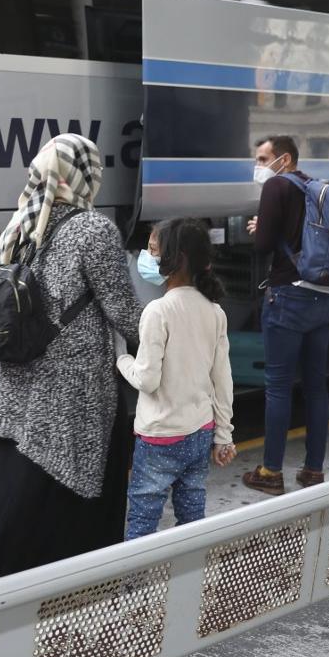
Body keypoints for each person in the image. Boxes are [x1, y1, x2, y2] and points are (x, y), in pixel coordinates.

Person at [0, 133, 142, 588]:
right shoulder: (93, 230)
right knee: (64, 497)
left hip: (10, 385)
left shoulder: (20, 225)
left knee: (9, 502)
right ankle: (73, 588)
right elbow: (122, 312)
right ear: (85, 176)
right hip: (68, 391)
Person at [118, 219, 236, 539]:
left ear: (176, 258)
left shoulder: (158, 311)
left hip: (161, 437)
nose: (146, 257)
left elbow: (147, 379)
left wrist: (122, 359)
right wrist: (224, 435)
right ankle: (187, 582)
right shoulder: (214, 311)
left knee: (143, 522)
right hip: (200, 433)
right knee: (192, 519)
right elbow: (222, 379)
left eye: (153, 250)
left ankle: (135, 587)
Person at [242, 135, 329, 496]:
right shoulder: (316, 188)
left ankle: (270, 471)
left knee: (278, 387)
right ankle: (313, 470)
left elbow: (264, 245)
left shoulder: (277, 186)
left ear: (284, 158)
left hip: (288, 295)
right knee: (316, 387)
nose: (259, 165)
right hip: (324, 297)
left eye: (263, 157)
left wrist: (257, 230)